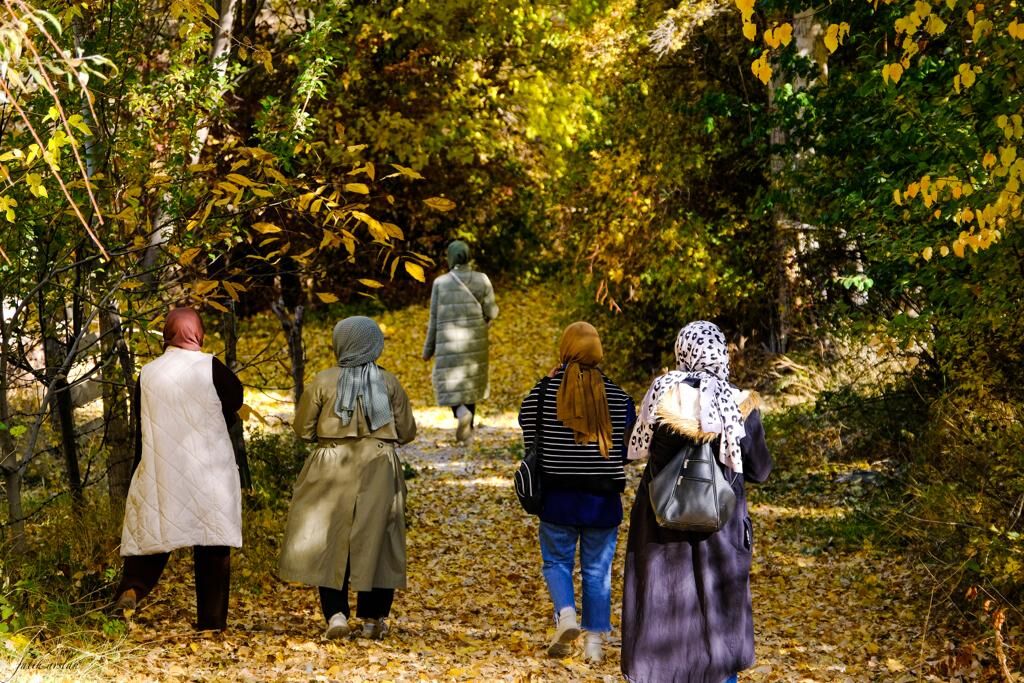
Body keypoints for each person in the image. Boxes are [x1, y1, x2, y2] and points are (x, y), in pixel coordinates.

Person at [620, 321, 773, 683]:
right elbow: (760, 470)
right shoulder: (739, 404)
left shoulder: (662, 396)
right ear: (720, 352)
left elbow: (633, 448)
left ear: (682, 352)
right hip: (722, 530)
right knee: (720, 621)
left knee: (660, 611)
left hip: (660, 526)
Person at [279, 316, 416, 640]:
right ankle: (372, 619)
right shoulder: (389, 382)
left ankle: (336, 615)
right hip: (379, 466)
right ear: (374, 344)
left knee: (330, 539)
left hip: (330, 464)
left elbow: (303, 429)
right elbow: (407, 432)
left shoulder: (323, 381)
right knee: (378, 541)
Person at [114, 307, 245, 631]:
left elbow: (142, 423)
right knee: (213, 542)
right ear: (198, 332)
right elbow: (236, 398)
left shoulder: (148, 373)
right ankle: (211, 622)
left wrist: (139, 469)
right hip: (209, 468)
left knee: (155, 532)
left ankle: (132, 589)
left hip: (161, 464)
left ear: (168, 333)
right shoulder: (210, 367)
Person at [518, 322, 636, 663]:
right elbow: (628, 449)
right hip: (603, 501)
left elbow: (528, 428)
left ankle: (566, 615)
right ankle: (594, 644)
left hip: (557, 498)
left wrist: (549, 381)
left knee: (557, 561)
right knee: (597, 570)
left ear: (566, 350)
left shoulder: (543, 393)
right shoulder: (618, 397)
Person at [422, 240, 498, 444]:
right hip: (475, 341)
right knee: (470, 383)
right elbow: (492, 312)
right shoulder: (482, 279)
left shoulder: (441, 283)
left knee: (448, 382)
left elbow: (434, 319)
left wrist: (428, 350)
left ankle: (461, 412)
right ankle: (468, 431)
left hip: (448, 342)